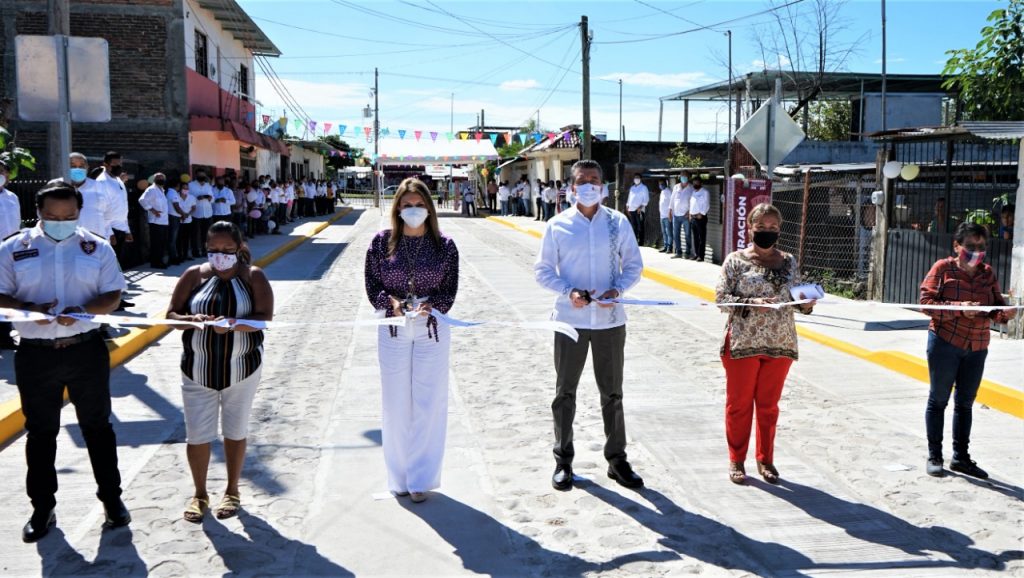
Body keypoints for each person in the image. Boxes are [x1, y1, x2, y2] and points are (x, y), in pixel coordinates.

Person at [0, 181, 130, 543]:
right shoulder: (13, 248)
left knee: (98, 428)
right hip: (35, 353)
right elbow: (0, 294)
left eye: (69, 216)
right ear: (39, 213)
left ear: (78, 212)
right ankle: (42, 508)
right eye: (53, 216)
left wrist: (84, 311)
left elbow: (113, 294)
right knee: (41, 433)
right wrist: (28, 310)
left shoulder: (96, 248)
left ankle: (112, 501)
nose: (61, 222)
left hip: (85, 350)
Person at [534, 159, 645, 492]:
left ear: (603, 187)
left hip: (610, 321)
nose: (589, 185)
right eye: (582, 180)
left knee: (612, 394)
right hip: (570, 322)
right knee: (564, 393)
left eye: (594, 180)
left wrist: (618, 290)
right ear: (571, 187)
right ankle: (563, 461)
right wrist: (569, 292)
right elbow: (542, 271)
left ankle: (617, 459)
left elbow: (635, 265)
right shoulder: (557, 225)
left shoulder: (618, 222)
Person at [165, 220, 273, 522]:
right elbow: (171, 315)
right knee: (197, 434)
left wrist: (234, 324)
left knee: (235, 431)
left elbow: (266, 317)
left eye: (227, 250)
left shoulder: (253, 277)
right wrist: (192, 319)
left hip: (242, 368)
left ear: (239, 248)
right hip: (197, 370)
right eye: (214, 250)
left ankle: (232, 490)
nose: (220, 256)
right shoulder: (193, 276)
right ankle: (199, 493)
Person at [364, 177, 459, 503]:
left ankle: (421, 478)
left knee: (428, 402)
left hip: (431, 328)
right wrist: (391, 304)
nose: (414, 210)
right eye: (408, 205)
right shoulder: (380, 243)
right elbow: (372, 285)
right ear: (398, 208)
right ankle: (399, 478)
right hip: (392, 328)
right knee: (396, 403)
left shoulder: (445, 246)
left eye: (420, 205)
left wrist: (433, 306)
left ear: (430, 209)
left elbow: (449, 291)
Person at [715, 203, 815, 485]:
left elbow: (796, 296)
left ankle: (765, 459)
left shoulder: (789, 261)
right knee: (739, 405)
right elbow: (721, 299)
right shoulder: (735, 261)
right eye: (762, 227)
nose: (767, 232)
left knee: (769, 406)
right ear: (750, 227)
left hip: (780, 343)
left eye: (773, 228)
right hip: (743, 343)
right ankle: (736, 459)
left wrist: (806, 303)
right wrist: (752, 302)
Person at [920, 222, 1015, 479]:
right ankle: (935, 456)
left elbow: (995, 308)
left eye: (981, 247)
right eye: (970, 246)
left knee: (965, 404)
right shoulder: (943, 268)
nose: (976, 251)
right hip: (945, 342)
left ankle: (961, 458)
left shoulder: (988, 273)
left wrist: (1005, 314)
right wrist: (960, 307)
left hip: (977, 346)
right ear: (957, 246)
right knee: (938, 399)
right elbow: (926, 303)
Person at [95, 151, 133, 265]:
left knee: (117, 262)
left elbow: (122, 206)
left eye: (120, 164)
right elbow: (101, 210)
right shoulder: (101, 182)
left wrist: (127, 230)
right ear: (106, 164)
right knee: (108, 263)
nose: (118, 167)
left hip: (120, 228)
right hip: (109, 230)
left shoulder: (118, 180)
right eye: (115, 164)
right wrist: (109, 233)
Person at [0, 161, 21, 349]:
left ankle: (5, 335)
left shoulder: (12, 197)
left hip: (9, 252)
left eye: (2, 172)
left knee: (6, 293)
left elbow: (15, 224)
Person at [139, 173, 170, 269]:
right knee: (156, 243)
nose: (160, 179)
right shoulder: (151, 189)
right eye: (158, 178)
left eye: (162, 178)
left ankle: (159, 261)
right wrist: (152, 210)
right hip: (155, 221)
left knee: (161, 243)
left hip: (163, 221)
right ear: (154, 179)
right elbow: (142, 200)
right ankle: (156, 263)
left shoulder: (162, 190)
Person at [669, 174, 694, 259]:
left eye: (685, 176)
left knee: (687, 235)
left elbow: (693, 201)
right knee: (676, 234)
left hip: (686, 216)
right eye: (682, 176)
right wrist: (670, 211)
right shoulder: (676, 187)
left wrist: (690, 212)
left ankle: (688, 252)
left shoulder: (691, 188)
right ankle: (678, 252)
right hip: (676, 215)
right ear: (680, 177)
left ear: (688, 177)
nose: (683, 178)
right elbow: (672, 199)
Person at [191, 171, 214, 257]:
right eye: (200, 175)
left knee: (207, 234)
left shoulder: (208, 185)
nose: (202, 176)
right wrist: (197, 198)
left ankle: (205, 251)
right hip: (196, 213)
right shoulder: (191, 185)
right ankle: (195, 252)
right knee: (195, 234)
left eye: (204, 175)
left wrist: (210, 198)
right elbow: (188, 198)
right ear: (196, 175)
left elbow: (213, 199)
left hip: (208, 213)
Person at [688, 175, 710, 261]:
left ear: (701, 183)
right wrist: (690, 214)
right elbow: (691, 204)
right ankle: (696, 254)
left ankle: (701, 256)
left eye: (697, 183)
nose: (695, 184)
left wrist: (702, 214)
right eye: (694, 183)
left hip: (700, 218)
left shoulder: (705, 192)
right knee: (695, 238)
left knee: (702, 238)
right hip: (693, 218)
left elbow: (707, 204)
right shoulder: (693, 192)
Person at [165, 178, 185, 266]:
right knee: (172, 239)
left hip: (172, 217)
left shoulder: (170, 192)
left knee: (172, 239)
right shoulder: (173, 193)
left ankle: (173, 256)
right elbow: (176, 206)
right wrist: (183, 214)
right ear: (177, 185)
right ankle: (173, 258)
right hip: (173, 217)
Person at [626, 174, 649, 246]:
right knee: (634, 226)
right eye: (635, 177)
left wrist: (641, 207)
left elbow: (646, 199)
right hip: (631, 209)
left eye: (638, 177)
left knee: (640, 226)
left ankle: (641, 242)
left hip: (639, 210)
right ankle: (634, 240)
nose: (636, 179)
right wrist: (627, 206)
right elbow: (630, 197)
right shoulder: (632, 188)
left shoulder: (644, 187)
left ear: (641, 179)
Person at [177, 181, 197, 261]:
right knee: (179, 239)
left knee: (186, 238)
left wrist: (188, 214)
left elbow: (194, 208)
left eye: (187, 188)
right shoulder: (176, 197)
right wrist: (182, 215)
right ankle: (179, 255)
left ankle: (186, 255)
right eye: (184, 188)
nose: (185, 190)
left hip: (188, 220)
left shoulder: (191, 197)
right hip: (179, 220)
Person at [657, 180, 673, 253]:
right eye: (660, 184)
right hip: (662, 216)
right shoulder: (662, 192)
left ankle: (669, 247)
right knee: (664, 232)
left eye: (662, 184)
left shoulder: (669, 191)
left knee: (669, 232)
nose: (661, 185)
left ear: (665, 184)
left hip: (667, 215)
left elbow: (672, 203)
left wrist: (670, 214)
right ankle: (665, 246)